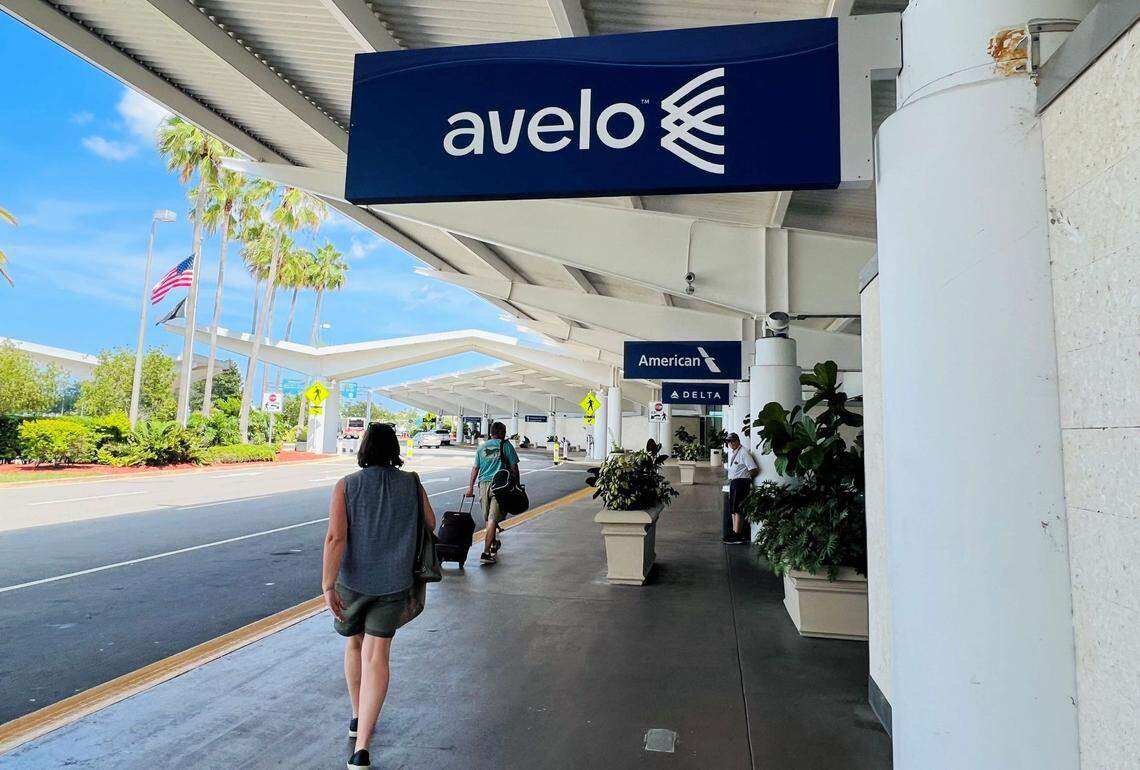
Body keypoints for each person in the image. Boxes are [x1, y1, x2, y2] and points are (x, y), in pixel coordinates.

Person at [321, 422, 436, 770]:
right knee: (378, 657)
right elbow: (430, 523)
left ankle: (358, 716)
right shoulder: (412, 483)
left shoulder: (346, 486)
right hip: (394, 583)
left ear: (364, 448)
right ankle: (363, 748)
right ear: (394, 450)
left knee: (354, 645)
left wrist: (328, 585)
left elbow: (336, 539)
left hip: (353, 584)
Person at [464, 420, 519, 564]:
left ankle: (493, 544)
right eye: (505, 431)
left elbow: (475, 468)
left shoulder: (481, 447)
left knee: (489, 519)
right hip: (499, 486)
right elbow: (514, 468)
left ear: (491, 433)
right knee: (493, 519)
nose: (506, 434)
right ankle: (485, 552)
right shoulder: (506, 445)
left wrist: (470, 487)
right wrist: (517, 485)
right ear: (500, 433)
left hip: (483, 485)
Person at [724, 432, 758, 544]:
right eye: (729, 441)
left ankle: (738, 534)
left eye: (733, 441)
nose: (731, 443)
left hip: (741, 483)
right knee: (733, 509)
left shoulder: (744, 453)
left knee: (738, 508)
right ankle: (734, 532)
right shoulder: (735, 452)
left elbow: (753, 469)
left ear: (738, 441)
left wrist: (746, 478)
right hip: (735, 483)